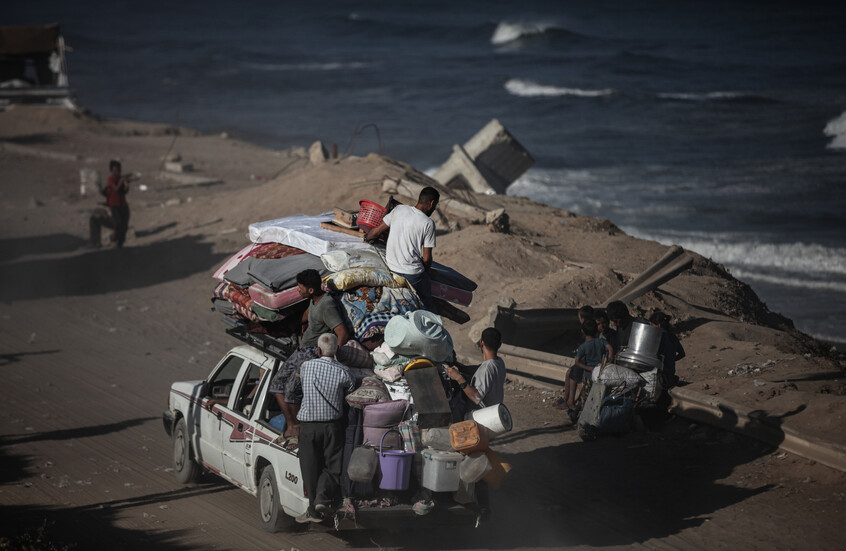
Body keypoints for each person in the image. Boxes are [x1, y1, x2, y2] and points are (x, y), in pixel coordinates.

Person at [268, 269, 350, 439]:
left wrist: (333, 359)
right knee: (276, 385)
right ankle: (292, 426)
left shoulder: (327, 305)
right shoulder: (314, 300)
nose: (298, 290)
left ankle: (300, 429)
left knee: (291, 392)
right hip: (301, 351)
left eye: (300, 288)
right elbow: (309, 314)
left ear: (311, 290)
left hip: (312, 353)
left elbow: (342, 332)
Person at [445, 327, 505, 522]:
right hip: (492, 420)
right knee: (480, 459)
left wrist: (459, 379)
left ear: (481, 343)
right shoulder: (498, 363)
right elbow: (482, 373)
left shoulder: (487, 369)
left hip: (479, 422)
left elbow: (477, 396)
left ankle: (480, 507)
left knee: (474, 464)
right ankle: (483, 506)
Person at [295, 333, 355, 524]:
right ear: (336, 350)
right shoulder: (344, 371)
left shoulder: (306, 366)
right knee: (331, 466)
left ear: (319, 350)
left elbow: (299, 386)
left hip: (308, 427)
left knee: (310, 468)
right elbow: (350, 391)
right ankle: (322, 499)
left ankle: (314, 508)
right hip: (332, 426)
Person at [364, 187, 440, 312]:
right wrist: (426, 272)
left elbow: (375, 232)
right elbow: (426, 259)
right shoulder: (428, 223)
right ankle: (433, 322)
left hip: (393, 269)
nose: (434, 208)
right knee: (427, 303)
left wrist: (367, 237)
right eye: (435, 205)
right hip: (413, 275)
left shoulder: (399, 209)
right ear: (431, 203)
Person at [566, 319, 613, 417]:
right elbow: (610, 348)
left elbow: (577, 362)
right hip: (601, 374)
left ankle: (585, 418)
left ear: (582, 331)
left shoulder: (583, 347)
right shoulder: (601, 341)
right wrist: (609, 359)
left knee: (586, 398)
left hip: (588, 376)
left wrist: (589, 368)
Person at [89, 160, 131, 247]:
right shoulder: (111, 180)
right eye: (115, 170)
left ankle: (118, 242)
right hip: (114, 207)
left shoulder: (119, 180)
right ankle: (111, 238)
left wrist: (127, 183)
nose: (117, 172)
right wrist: (121, 181)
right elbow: (115, 188)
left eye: (118, 170)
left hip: (121, 206)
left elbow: (124, 191)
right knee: (117, 223)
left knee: (122, 225)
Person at [650, 310, 685, 388]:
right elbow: (682, 354)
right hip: (670, 373)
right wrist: (671, 359)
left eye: (652, 324)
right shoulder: (673, 337)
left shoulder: (657, 337)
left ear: (658, 325)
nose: (651, 327)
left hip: (660, 374)